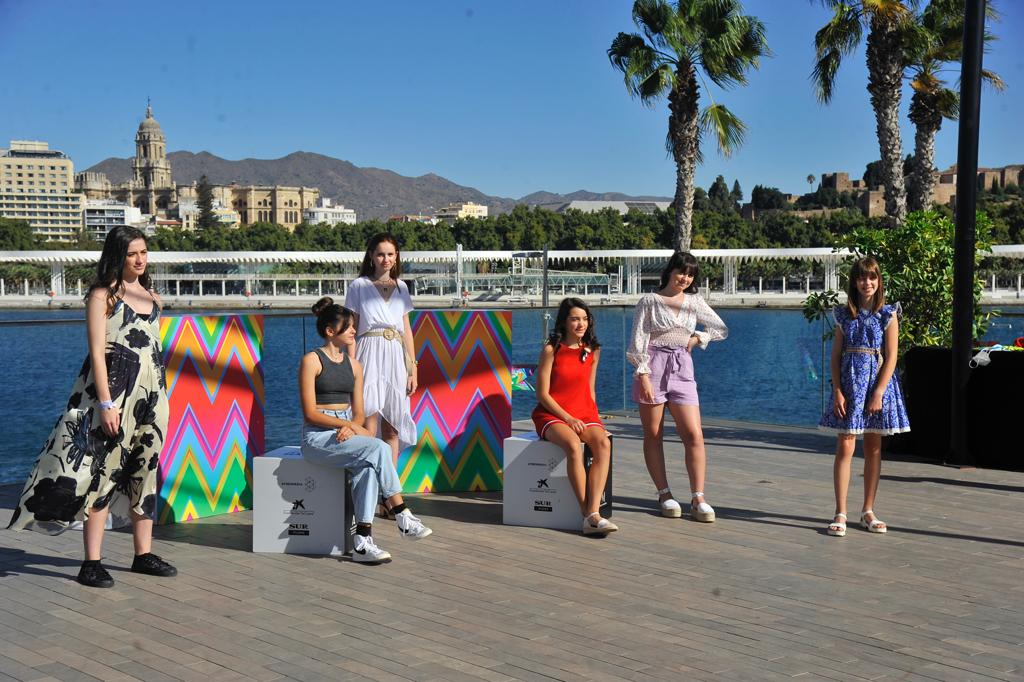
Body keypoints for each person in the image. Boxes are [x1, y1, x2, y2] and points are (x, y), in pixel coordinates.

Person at [7, 226, 177, 588]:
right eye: (133, 253)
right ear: (117, 256)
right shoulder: (103, 296)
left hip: (152, 401)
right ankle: (92, 561)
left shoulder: (153, 297)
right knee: (102, 474)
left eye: (144, 252)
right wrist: (105, 403)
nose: (141, 259)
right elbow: (98, 353)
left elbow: (154, 353)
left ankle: (142, 554)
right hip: (114, 398)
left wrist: (162, 399)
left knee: (145, 473)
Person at [300, 297, 432, 563]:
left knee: (367, 466)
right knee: (379, 447)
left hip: (346, 429)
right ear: (330, 332)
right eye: (348, 327)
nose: (353, 331)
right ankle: (402, 512)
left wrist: (352, 425)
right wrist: (347, 425)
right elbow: (310, 413)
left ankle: (362, 541)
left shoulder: (355, 365)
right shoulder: (311, 361)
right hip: (317, 436)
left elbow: (359, 412)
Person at [627, 252, 728, 522]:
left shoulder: (694, 301)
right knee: (653, 434)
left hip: (683, 366)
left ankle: (698, 497)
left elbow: (720, 328)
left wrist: (697, 338)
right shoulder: (649, 300)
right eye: (681, 272)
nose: (685, 278)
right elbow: (638, 340)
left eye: (691, 274)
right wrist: (643, 374)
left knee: (694, 434)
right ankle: (664, 494)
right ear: (670, 271)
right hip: (653, 366)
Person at [819, 257, 909, 537]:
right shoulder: (844, 314)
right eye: (861, 278)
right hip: (850, 384)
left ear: (878, 281)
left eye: (872, 277)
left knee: (873, 447)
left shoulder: (888, 313)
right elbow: (835, 356)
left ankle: (868, 510)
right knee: (845, 446)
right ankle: (840, 511)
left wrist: (879, 392)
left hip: (877, 384)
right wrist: (837, 389)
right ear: (854, 282)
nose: (866, 283)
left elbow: (892, 356)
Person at [531, 298, 616, 536]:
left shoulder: (593, 350)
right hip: (552, 413)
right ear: (565, 322)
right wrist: (568, 418)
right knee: (573, 445)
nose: (581, 324)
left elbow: (590, 389)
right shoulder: (551, 349)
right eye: (575, 319)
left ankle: (592, 512)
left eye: (585, 319)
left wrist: (596, 420)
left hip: (584, 412)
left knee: (602, 443)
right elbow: (542, 394)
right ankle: (589, 514)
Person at [344, 233, 417, 464]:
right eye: (381, 254)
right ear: (372, 256)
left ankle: (391, 493)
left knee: (393, 428)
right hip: (369, 353)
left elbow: (406, 330)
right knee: (369, 424)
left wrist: (413, 368)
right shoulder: (358, 286)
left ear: (396, 257)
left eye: (390, 254)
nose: (386, 259)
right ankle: (370, 491)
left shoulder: (402, 287)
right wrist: (353, 366)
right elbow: (351, 330)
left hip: (396, 357)